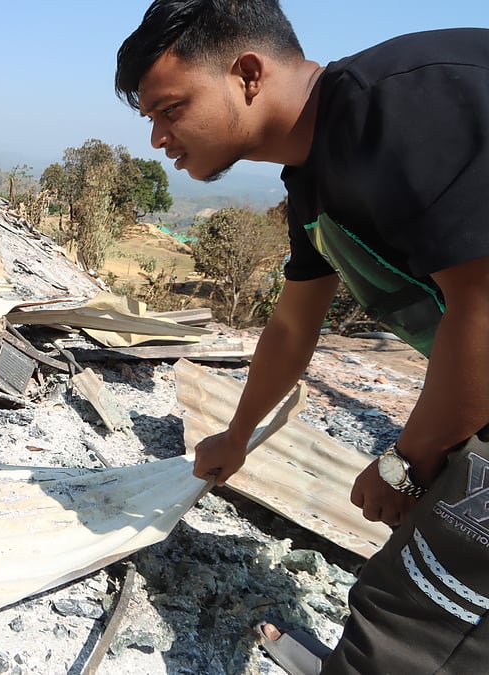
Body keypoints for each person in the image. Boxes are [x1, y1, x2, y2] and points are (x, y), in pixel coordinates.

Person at [115, 1, 489, 673]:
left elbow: (486, 308)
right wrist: (237, 434)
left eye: (170, 109)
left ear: (248, 74)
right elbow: (292, 324)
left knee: (408, 627)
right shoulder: (315, 176)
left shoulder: (399, 106)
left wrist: (408, 460)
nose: (159, 139)